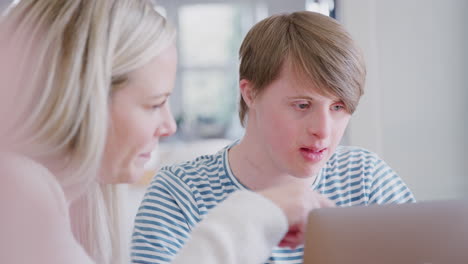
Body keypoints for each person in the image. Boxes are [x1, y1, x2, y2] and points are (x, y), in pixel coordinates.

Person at [0, 1, 332, 264]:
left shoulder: (53, 199)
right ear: (81, 99)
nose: (170, 126)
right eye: (154, 103)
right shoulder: (16, 196)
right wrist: (255, 214)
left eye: (339, 107)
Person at [131, 11, 416, 264]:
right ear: (251, 93)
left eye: (338, 107)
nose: (324, 131)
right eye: (302, 105)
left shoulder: (367, 180)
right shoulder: (180, 195)